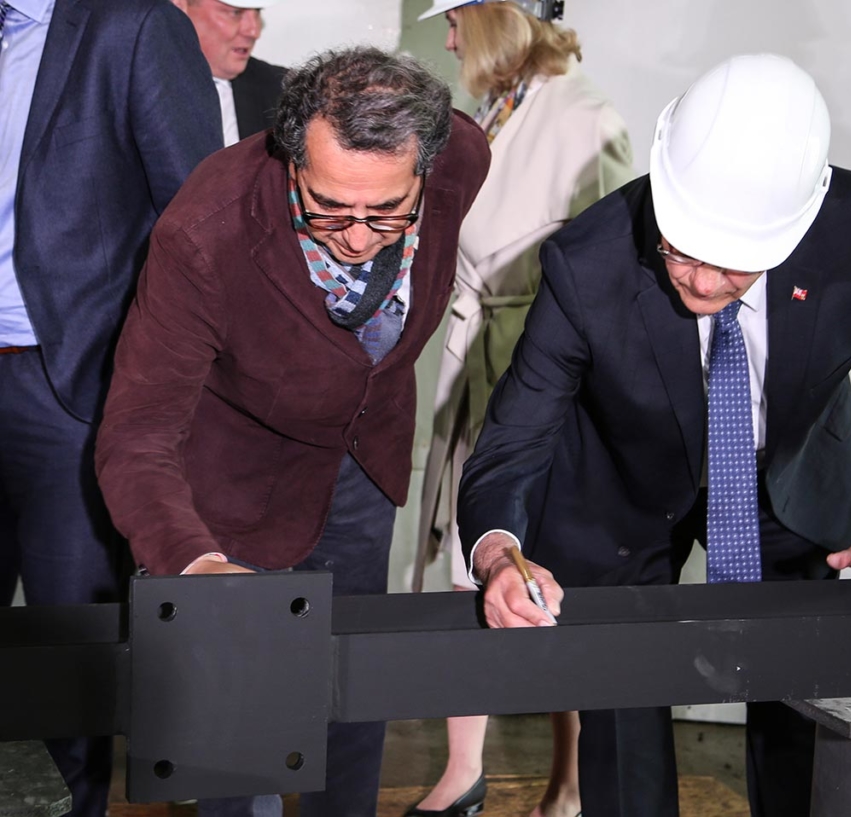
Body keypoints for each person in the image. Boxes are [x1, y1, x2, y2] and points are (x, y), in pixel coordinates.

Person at [457, 54, 851, 817]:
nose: (701, 281)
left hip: (791, 479)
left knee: (800, 714)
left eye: (735, 264)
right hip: (622, 489)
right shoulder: (588, 261)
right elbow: (515, 437)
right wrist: (499, 549)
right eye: (680, 248)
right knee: (621, 708)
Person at [95, 46, 489, 817]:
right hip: (234, 489)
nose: (357, 235)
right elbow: (136, 432)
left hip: (360, 466)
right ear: (288, 159)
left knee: (351, 695)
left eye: (387, 211)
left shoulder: (460, 156)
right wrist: (195, 563)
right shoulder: (203, 233)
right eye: (329, 207)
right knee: (239, 728)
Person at [409, 1, 633, 816]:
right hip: (479, 373)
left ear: (497, 16)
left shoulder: (586, 117)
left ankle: (569, 781)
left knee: (548, 576)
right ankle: (463, 766)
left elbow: (614, 281)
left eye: (457, 19)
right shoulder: (495, 108)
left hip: (548, 391)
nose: (447, 38)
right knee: (473, 562)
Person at [0, 0, 221, 814]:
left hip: (70, 389)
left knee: (72, 654)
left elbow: (198, 224)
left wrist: (141, 387)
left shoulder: (133, 26)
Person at [172, 0, 286, 144]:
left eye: (258, 12)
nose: (253, 31)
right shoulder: (142, 86)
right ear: (180, 7)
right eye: (235, 12)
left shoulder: (282, 90)